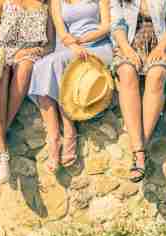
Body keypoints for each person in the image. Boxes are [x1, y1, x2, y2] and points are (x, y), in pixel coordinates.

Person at [0, 0, 54, 184]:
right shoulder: (1, 0)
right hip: (2, 52)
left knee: (24, 67)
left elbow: (50, 44)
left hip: (28, 54)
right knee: (0, 70)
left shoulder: (46, 4)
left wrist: (35, 50)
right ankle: (1, 150)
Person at [28, 0, 113, 173]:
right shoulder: (57, 2)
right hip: (72, 48)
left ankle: (69, 129)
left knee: (58, 63)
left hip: (98, 47)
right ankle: (53, 136)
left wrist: (82, 40)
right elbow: (62, 31)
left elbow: (106, 26)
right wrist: (74, 45)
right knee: (40, 66)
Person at [110, 0, 166, 182]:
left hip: (161, 46)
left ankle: (138, 150)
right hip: (129, 45)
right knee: (127, 73)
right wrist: (127, 50)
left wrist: (160, 48)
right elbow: (117, 24)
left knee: (156, 75)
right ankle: (140, 152)